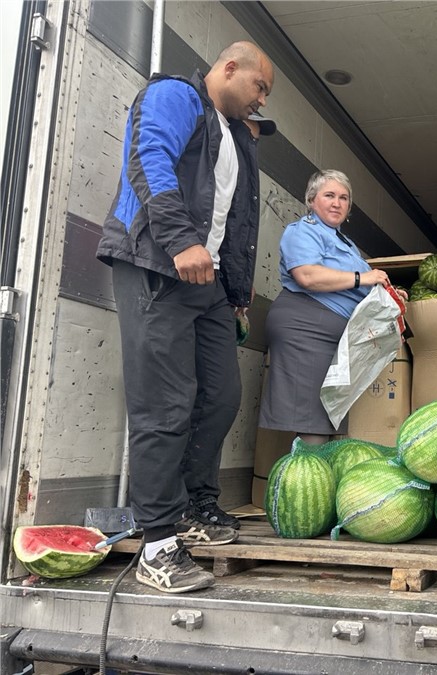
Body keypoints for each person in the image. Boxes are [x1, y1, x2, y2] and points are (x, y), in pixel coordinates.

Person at [96, 41, 275, 593]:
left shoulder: (235, 136)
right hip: (157, 264)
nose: (262, 99)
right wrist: (179, 241)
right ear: (229, 68)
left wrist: (236, 290)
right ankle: (156, 543)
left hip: (208, 284)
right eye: (260, 87)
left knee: (220, 396)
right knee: (164, 404)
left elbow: (233, 219)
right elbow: (148, 159)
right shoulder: (175, 95)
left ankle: (196, 506)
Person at [183, 111, 277, 529]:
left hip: (219, 286)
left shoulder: (244, 169)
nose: (253, 136)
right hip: (180, 276)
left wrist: (239, 285)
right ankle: (174, 505)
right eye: (248, 127)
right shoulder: (209, 150)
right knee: (179, 400)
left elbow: (234, 231)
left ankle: (200, 498)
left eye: (257, 133)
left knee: (221, 397)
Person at [258, 170, 396, 445]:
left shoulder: (345, 243)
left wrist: (387, 293)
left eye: (344, 198)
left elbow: (360, 285)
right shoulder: (303, 231)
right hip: (307, 327)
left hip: (331, 332)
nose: (337, 203)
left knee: (326, 420)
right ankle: (306, 474)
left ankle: (314, 471)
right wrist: (362, 278)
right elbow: (307, 275)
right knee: (314, 422)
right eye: (329, 195)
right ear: (311, 200)